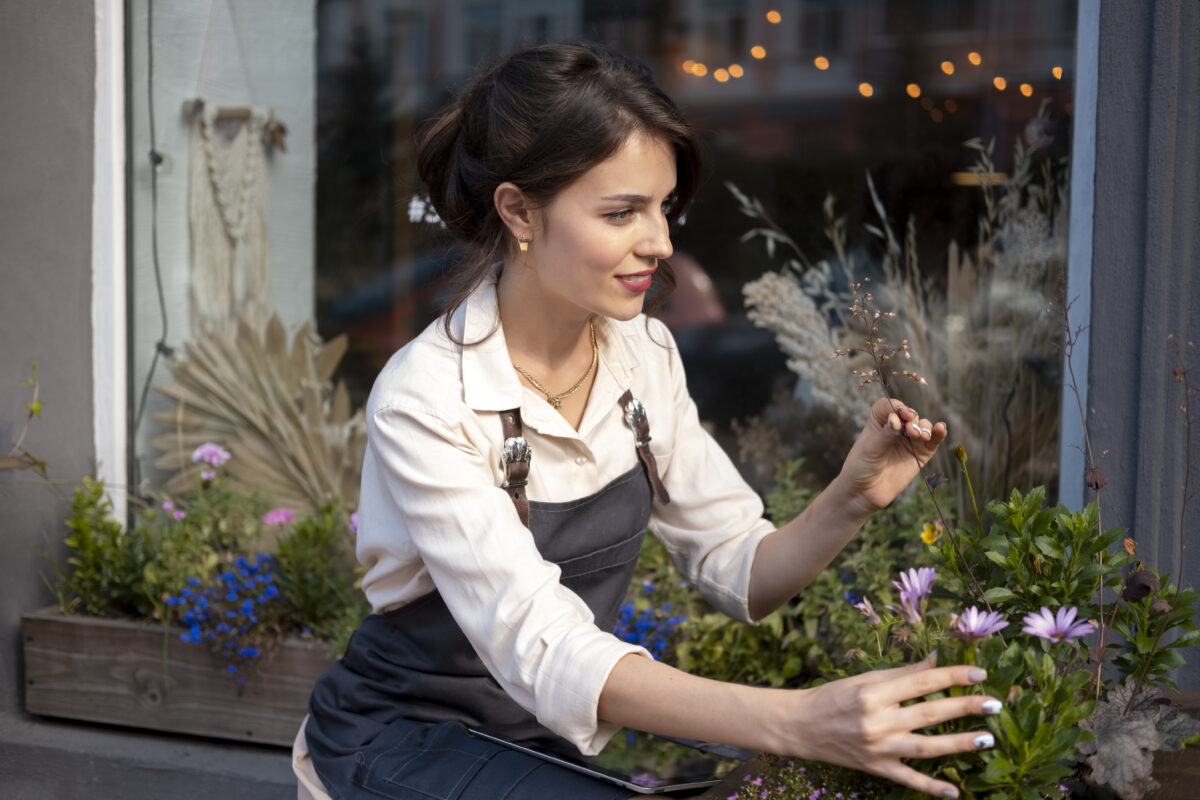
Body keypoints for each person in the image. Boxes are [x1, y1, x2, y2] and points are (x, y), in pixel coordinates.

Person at [294, 41, 997, 800]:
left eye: (664, 207)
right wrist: (797, 720)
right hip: (402, 742)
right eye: (621, 211)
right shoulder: (428, 398)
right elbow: (546, 646)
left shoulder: (642, 353)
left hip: (534, 744)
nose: (660, 242)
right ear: (519, 211)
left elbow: (739, 570)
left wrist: (850, 498)